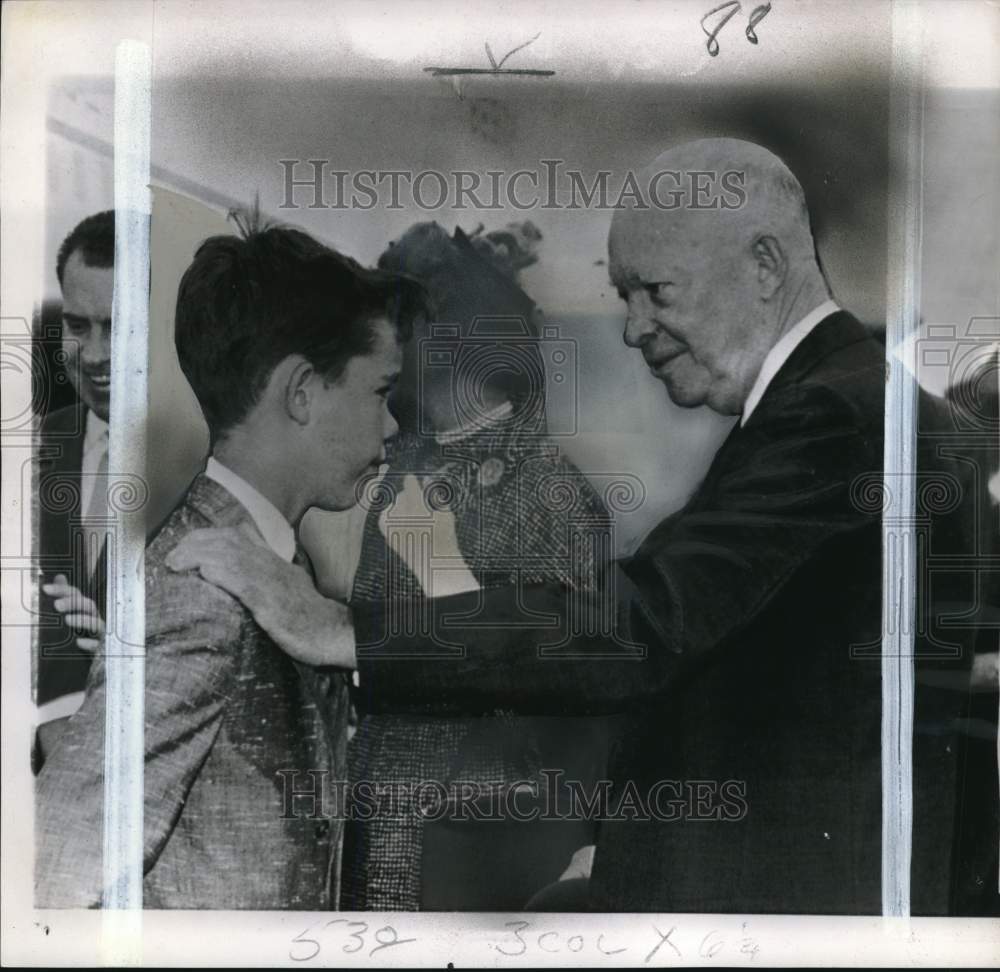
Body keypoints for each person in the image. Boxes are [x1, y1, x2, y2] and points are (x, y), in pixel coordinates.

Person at [169, 139, 978, 914]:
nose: (632, 329)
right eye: (625, 296)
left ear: (765, 266)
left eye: (656, 291)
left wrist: (348, 630)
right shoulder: (863, 407)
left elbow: (638, 631)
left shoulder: (831, 415)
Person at [34, 219, 425, 908]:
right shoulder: (199, 595)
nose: (392, 424)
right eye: (379, 392)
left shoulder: (274, 564)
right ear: (301, 393)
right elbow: (56, 868)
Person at [327, 220, 611, 910]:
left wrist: (443, 577)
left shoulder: (555, 491)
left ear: (438, 339)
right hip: (371, 822)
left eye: (389, 327)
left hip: (471, 857)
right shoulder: (399, 463)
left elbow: (559, 700)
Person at [34, 211, 115, 764]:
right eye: (78, 326)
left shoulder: (204, 462)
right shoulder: (32, 447)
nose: (96, 355)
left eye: (119, 327)